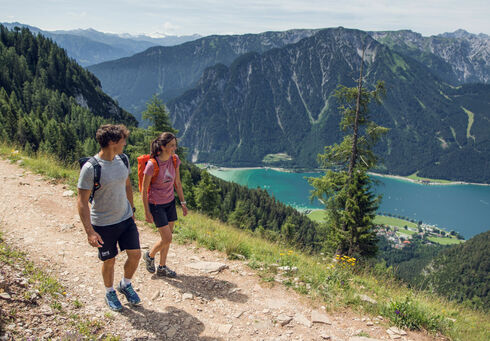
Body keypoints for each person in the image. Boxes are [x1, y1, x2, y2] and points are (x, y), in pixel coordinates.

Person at [77, 124, 141, 311]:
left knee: (135, 255)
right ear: (113, 142)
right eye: (123, 140)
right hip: (104, 223)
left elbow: (127, 185)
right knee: (109, 260)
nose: (125, 143)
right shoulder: (91, 168)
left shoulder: (123, 159)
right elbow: (81, 201)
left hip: (126, 218)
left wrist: (132, 209)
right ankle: (109, 291)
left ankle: (125, 284)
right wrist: (89, 231)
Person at [142, 132, 188, 277]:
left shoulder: (175, 160)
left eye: (175, 145)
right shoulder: (152, 164)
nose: (175, 148)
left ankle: (162, 267)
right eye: (171, 146)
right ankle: (149, 255)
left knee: (167, 239)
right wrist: (146, 211)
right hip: (156, 205)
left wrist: (183, 203)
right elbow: (144, 189)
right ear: (162, 147)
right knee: (167, 238)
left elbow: (178, 183)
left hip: (170, 202)